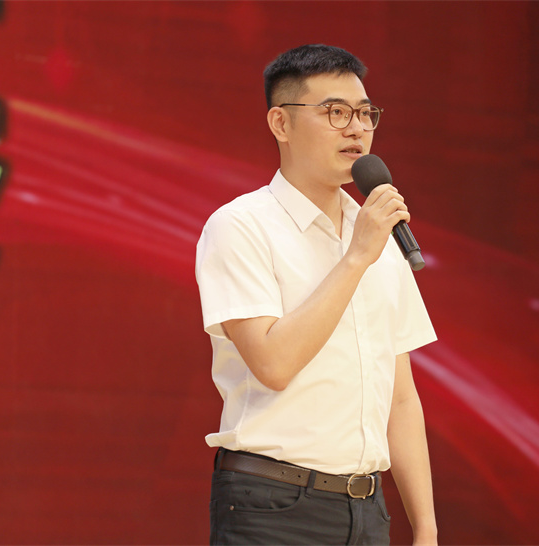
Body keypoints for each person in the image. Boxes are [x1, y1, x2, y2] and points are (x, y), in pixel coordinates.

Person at [195, 44, 438, 545]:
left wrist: (427, 529)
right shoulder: (241, 226)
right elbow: (273, 364)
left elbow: (401, 397)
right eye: (335, 112)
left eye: (365, 114)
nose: (357, 129)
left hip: (367, 510)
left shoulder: (378, 234)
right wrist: (356, 257)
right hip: (274, 506)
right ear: (281, 123)